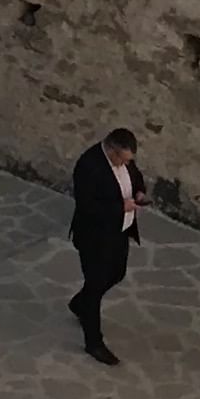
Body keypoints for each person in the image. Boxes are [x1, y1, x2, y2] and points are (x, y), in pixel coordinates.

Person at [66, 127, 145, 364]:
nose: (124, 164)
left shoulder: (125, 162)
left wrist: (140, 192)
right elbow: (87, 206)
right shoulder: (88, 166)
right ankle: (94, 342)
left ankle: (80, 303)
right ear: (110, 149)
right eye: (121, 158)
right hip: (94, 237)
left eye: (128, 160)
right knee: (95, 284)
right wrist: (120, 207)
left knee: (116, 273)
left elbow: (136, 176)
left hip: (119, 232)